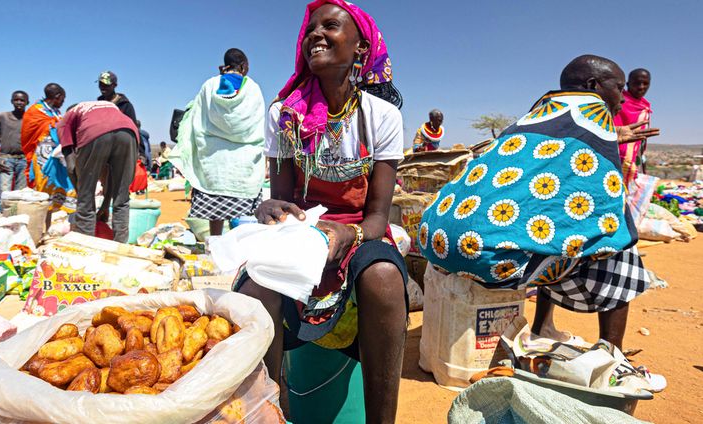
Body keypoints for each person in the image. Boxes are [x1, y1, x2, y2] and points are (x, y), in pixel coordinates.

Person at [236, 2, 407, 422]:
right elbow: (279, 196)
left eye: (331, 26)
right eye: (311, 28)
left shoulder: (381, 116)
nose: (316, 34)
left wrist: (350, 235)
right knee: (259, 285)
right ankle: (273, 409)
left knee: (383, 278)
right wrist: (271, 208)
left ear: (361, 47)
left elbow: (378, 217)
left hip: (359, 232)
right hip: (300, 232)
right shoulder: (284, 115)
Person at [420, 55, 650, 350]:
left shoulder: (535, 116)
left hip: (438, 242)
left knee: (554, 230)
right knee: (619, 247)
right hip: (486, 257)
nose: (621, 98)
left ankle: (544, 327)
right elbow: (608, 211)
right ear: (594, 85)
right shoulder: (593, 116)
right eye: (619, 88)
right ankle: (610, 356)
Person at [170, 48, 265, 236]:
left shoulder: (209, 85)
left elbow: (195, 118)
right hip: (242, 165)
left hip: (213, 164)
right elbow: (257, 124)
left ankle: (214, 245)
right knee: (241, 212)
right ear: (244, 67)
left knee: (216, 213)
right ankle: (236, 253)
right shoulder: (252, 88)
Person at [58, 101, 139, 243]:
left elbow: (71, 167)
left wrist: (83, 193)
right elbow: (108, 175)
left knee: (85, 200)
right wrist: (105, 205)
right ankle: (120, 247)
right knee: (122, 197)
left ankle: (87, 247)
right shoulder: (104, 107)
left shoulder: (66, 120)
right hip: (129, 131)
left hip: (94, 131)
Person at [21, 83, 76, 212]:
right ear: (57, 96)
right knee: (44, 189)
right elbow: (28, 135)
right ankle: (43, 223)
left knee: (64, 189)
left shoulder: (56, 112)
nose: (63, 102)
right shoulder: (35, 111)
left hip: (59, 157)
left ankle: (59, 222)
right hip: (42, 157)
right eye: (63, 98)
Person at [613, 68, 660, 184]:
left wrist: (641, 161)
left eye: (645, 83)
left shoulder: (644, 106)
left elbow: (639, 141)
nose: (641, 87)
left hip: (633, 159)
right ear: (628, 84)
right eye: (637, 83)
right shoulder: (617, 102)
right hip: (615, 156)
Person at [0, 90, 29, 212]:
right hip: (6, 158)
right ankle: (1, 217)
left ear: (27, 102)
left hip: (24, 159)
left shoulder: (30, 119)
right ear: (11, 101)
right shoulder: (2, 117)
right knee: (5, 191)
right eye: (16, 99)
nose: (19, 102)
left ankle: (13, 218)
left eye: (22, 100)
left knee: (20, 193)